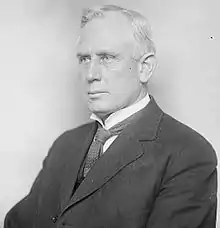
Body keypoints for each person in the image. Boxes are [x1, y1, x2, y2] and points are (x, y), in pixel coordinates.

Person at [4, 4, 217, 228]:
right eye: (84, 59)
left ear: (145, 68)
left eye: (107, 58)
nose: (91, 74)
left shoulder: (188, 153)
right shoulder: (65, 144)